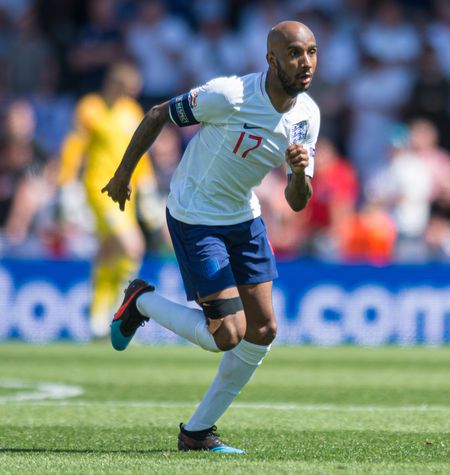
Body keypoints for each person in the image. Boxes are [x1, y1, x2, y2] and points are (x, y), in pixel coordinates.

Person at [101, 21, 319, 454]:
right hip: (195, 214)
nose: (306, 62)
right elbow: (159, 113)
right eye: (295, 53)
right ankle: (140, 300)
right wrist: (124, 173)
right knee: (227, 335)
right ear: (271, 59)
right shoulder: (230, 95)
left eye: (312, 51)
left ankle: (197, 432)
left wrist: (298, 172)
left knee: (263, 329)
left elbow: (298, 201)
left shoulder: (306, 115)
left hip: (244, 216)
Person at [58, 62, 160, 338]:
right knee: (133, 246)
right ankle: (120, 309)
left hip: (126, 194)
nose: (128, 96)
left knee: (108, 251)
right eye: (126, 90)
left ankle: (96, 315)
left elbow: (141, 153)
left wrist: (148, 188)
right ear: (114, 84)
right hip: (99, 189)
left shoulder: (131, 111)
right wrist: (67, 184)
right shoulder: (90, 108)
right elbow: (74, 147)